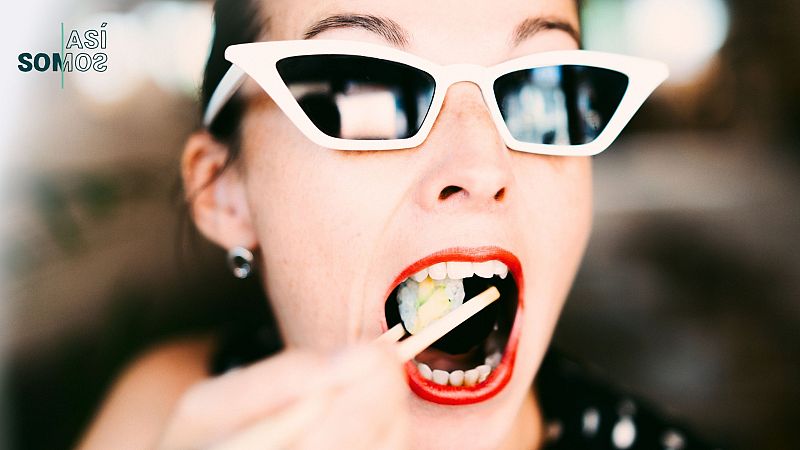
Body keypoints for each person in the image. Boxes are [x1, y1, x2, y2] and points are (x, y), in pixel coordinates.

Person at [77, 0, 713, 448]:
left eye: (535, 88)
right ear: (227, 195)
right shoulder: (162, 410)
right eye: (362, 90)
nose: (480, 164)